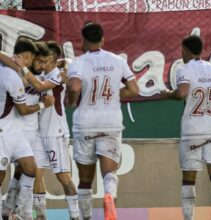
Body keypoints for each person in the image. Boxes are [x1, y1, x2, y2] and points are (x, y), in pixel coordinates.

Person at [161, 35, 211, 220]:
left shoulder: (185, 69)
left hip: (193, 131)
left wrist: (168, 95)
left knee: (189, 180)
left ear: (186, 51)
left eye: (182, 51)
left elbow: (182, 92)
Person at [67, 22, 139, 220]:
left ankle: (86, 217)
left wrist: (72, 101)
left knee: (85, 180)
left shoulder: (79, 62)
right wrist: (115, 94)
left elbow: (73, 87)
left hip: (85, 123)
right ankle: (109, 195)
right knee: (109, 173)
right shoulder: (117, 60)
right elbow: (134, 89)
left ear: (83, 40)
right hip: (110, 122)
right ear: (103, 39)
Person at [0, 37, 54, 220]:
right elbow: (22, 110)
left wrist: (19, 68)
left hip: (13, 129)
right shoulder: (13, 78)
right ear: (27, 56)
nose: (33, 63)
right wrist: (42, 106)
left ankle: (20, 212)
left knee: (30, 168)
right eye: (33, 59)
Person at [11, 41, 80, 220]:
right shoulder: (42, 75)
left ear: (52, 61)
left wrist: (64, 64)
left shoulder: (56, 76)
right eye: (40, 60)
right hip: (40, 133)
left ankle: (75, 215)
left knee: (62, 176)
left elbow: (41, 87)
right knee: (36, 174)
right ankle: (41, 216)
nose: (42, 63)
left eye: (46, 60)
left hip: (56, 132)